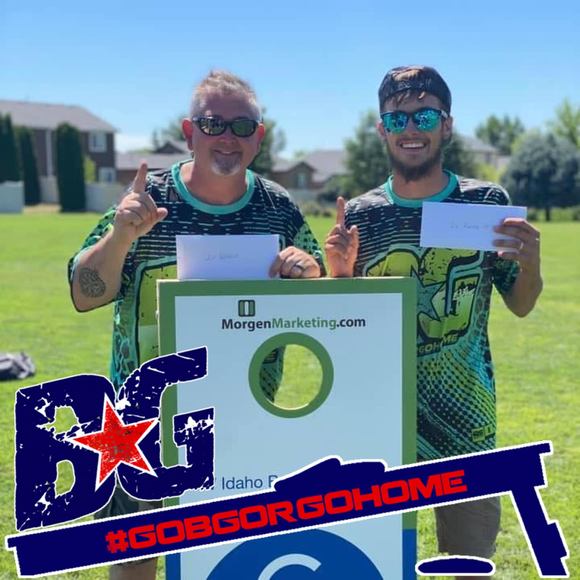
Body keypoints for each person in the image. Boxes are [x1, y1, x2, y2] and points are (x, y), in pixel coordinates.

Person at [68, 70, 323, 579]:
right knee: (133, 560)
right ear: (189, 132)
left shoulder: (277, 208)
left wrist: (309, 269)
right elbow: (83, 294)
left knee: (228, 560)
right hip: (139, 425)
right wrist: (121, 237)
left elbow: (317, 287)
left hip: (242, 418)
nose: (227, 136)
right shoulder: (147, 200)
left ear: (259, 137)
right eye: (212, 124)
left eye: (241, 125)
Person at [325, 65, 542, 577]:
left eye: (424, 116)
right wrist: (340, 274)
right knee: (371, 562)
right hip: (378, 418)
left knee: (469, 562)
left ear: (446, 125)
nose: (410, 129)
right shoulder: (362, 214)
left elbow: (521, 303)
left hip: (465, 417)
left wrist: (530, 264)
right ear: (381, 129)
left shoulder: (485, 204)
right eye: (396, 118)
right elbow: (342, 325)